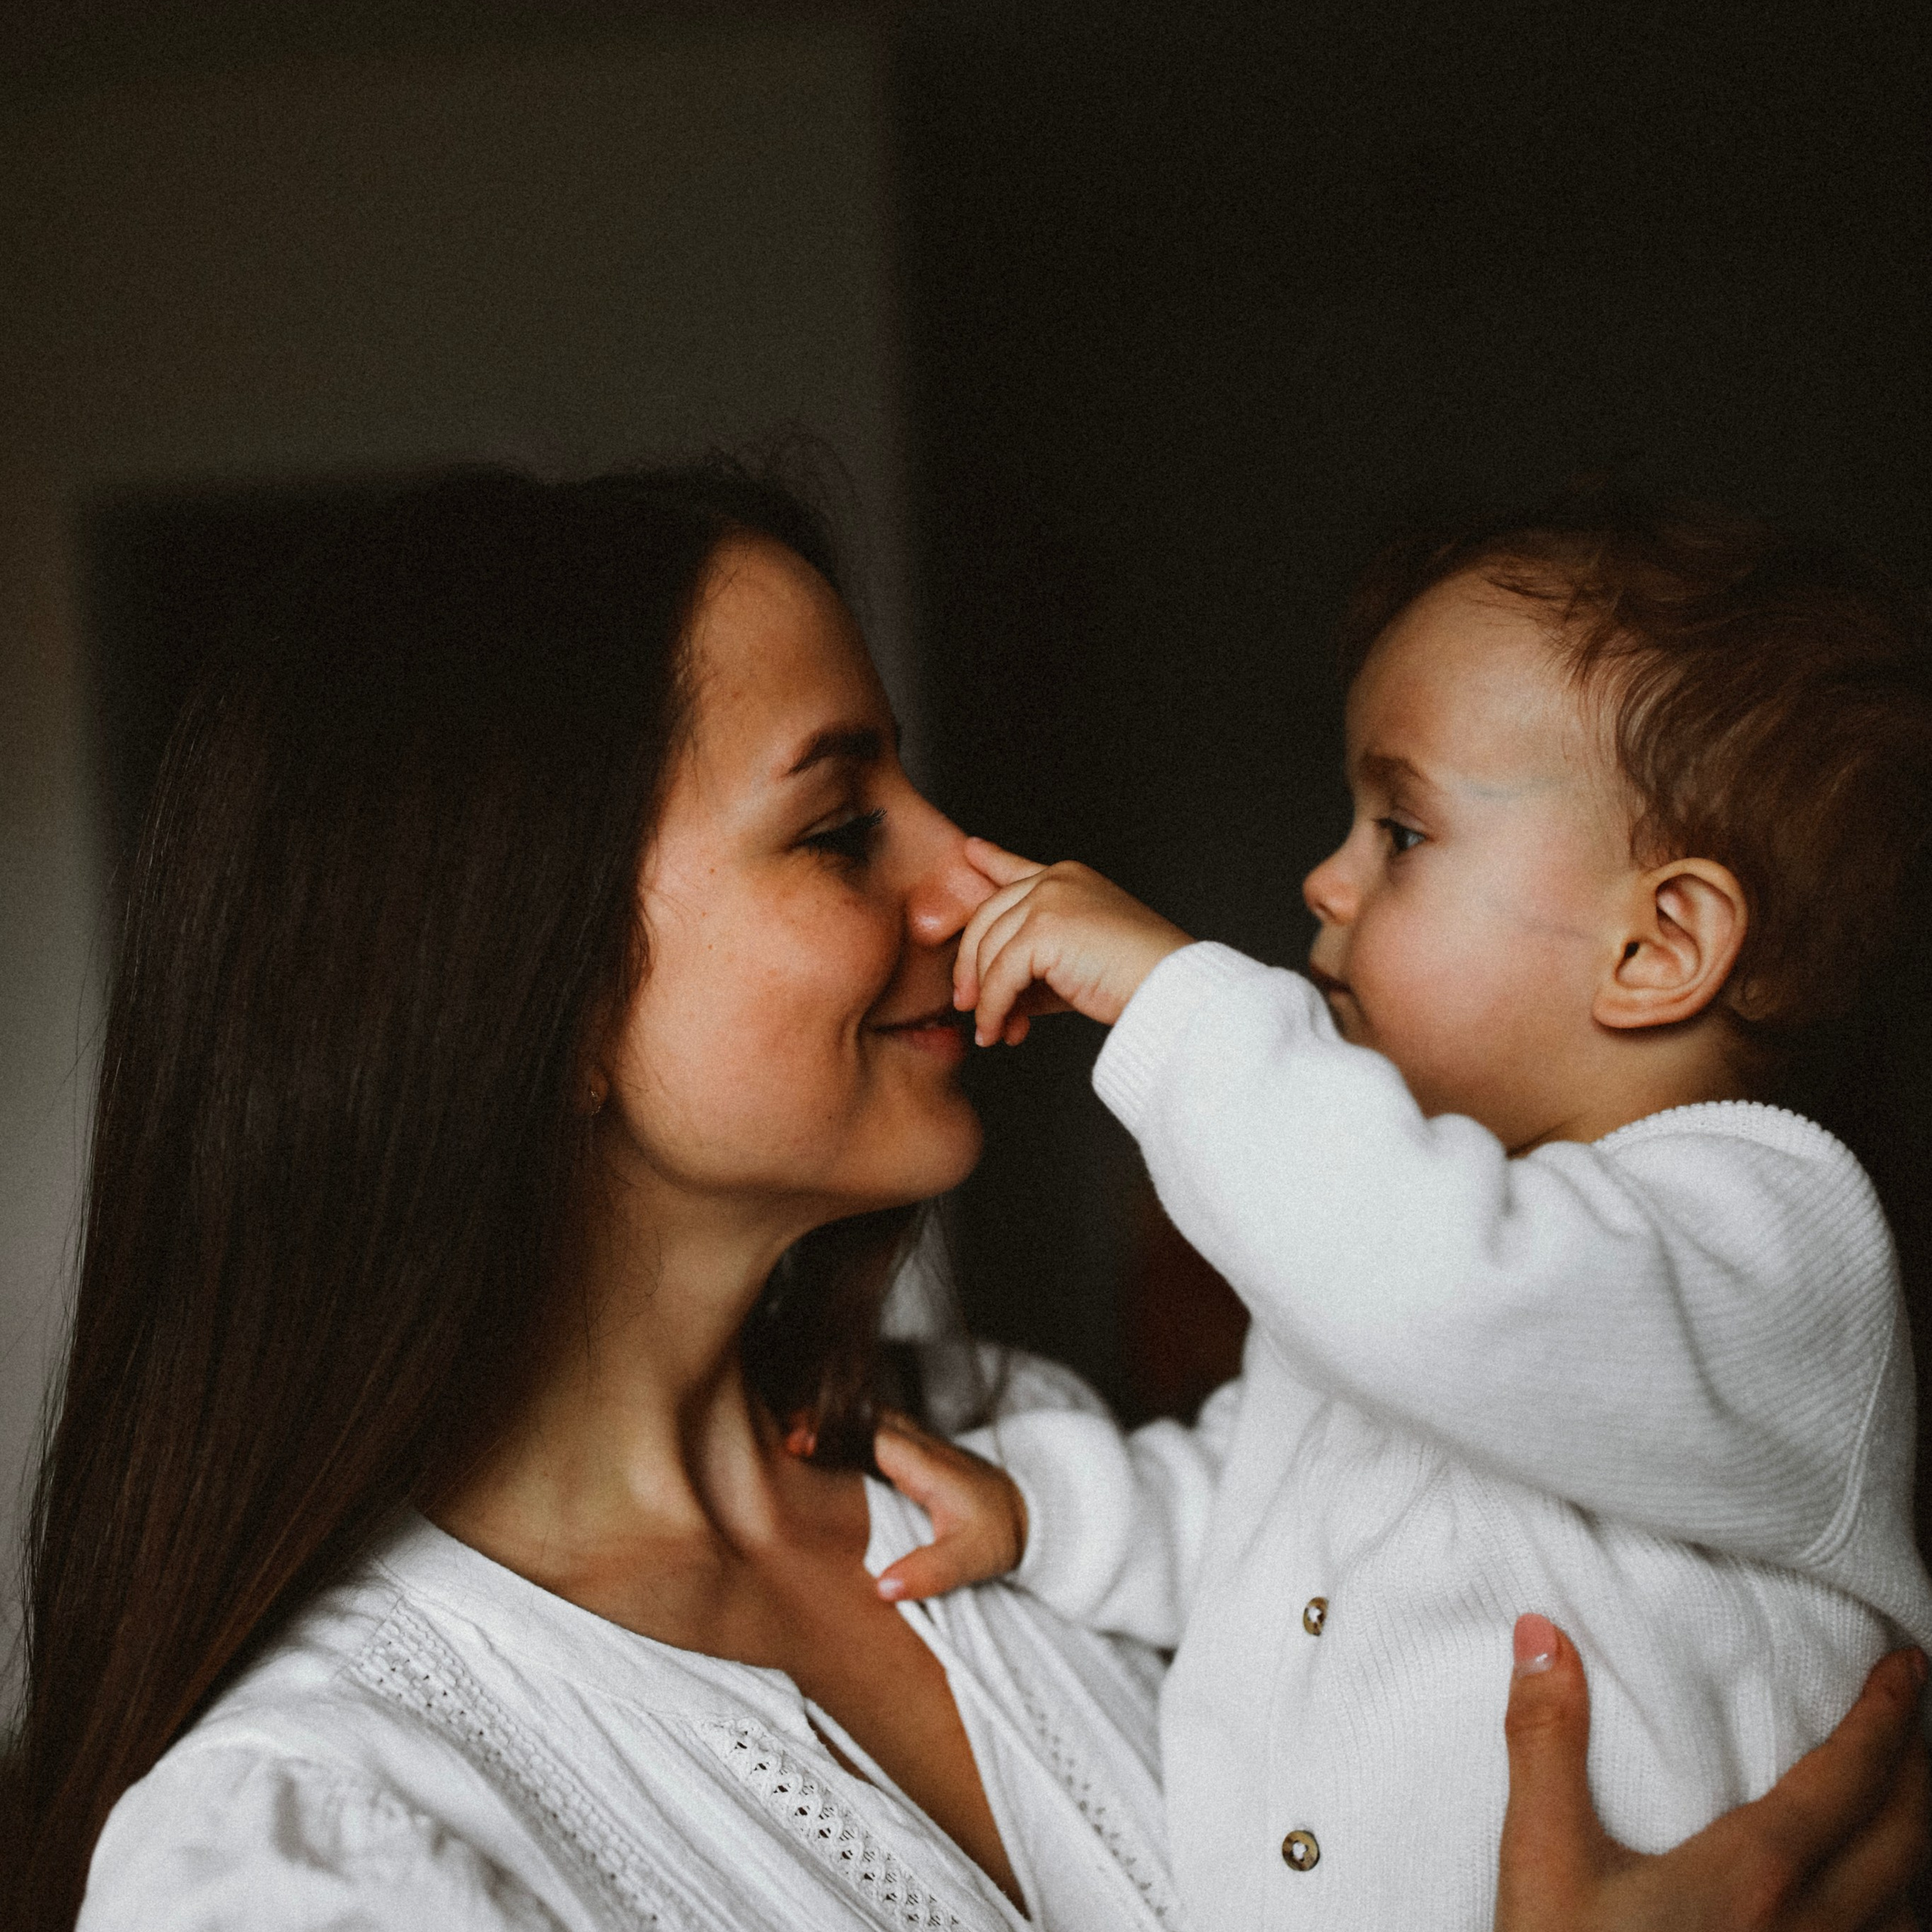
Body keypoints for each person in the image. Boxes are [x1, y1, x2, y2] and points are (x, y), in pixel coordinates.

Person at [5, 467, 1923, 1931]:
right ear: (537, 987)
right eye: (842, 825)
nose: (970, 878)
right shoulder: (320, 1836)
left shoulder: (1013, 1447)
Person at [869, 494, 1932, 1927]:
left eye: (1403, 829)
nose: (1325, 879)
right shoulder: (1404, 1243)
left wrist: (1182, 1002)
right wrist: (1054, 1512)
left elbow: (1450, 1294)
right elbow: (1257, 1513)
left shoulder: (1779, 1239)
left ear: (1660, 943)